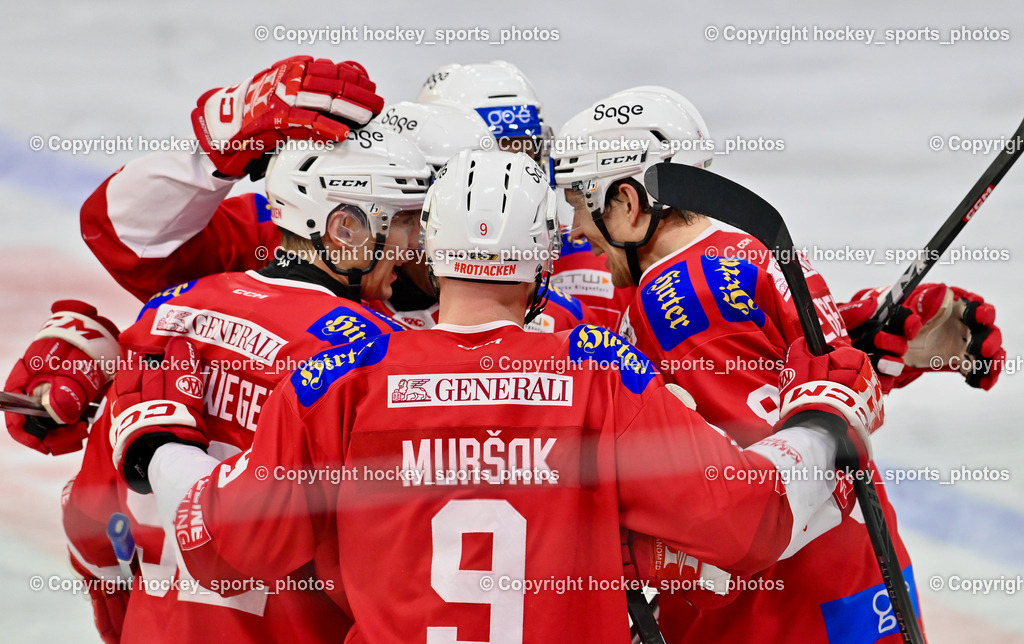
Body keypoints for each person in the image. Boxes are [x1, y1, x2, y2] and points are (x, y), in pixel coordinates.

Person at [108, 149, 885, 642]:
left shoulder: (339, 378)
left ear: (432, 250)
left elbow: (224, 546)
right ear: (543, 257)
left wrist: (155, 447)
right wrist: (823, 418)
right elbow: (751, 521)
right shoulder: (597, 372)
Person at [551, 86, 1005, 642]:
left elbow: (753, 493)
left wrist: (633, 545)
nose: (574, 229)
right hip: (856, 585)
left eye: (578, 202)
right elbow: (803, 395)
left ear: (626, 202)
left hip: (777, 610)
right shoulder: (744, 249)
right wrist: (866, 350)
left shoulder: (678, 299)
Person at [7, 61, 432, 640]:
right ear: (346, 228)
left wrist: (111, 381)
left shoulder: (167, 313)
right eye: (409, 221)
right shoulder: (382, 358)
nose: (420, 244)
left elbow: (92, 526)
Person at [415, 60, 636, 329]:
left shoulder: (603, 263)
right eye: (480, 157)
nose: (508, 173)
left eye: (520, 150)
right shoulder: (373, 286)